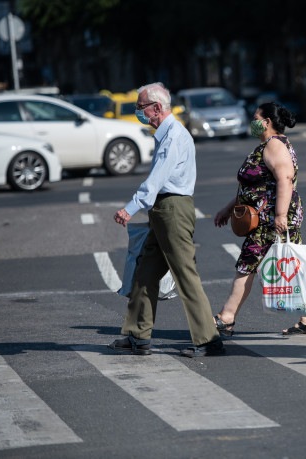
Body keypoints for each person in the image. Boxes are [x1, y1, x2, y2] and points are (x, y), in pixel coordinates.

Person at [109, 82, 224, 358]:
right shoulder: (167, 133)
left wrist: (130, 208)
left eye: (140, 108)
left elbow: (157, 178)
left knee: (185, 274)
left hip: (173, 209)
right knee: (144, 273)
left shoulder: (173, 135)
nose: (139, 113)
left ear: (157, 108)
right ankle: (137, 335)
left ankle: (208, 340)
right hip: (164, 210)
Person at [213, 102, 306, 336]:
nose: (253, 122)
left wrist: (280, 215)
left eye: (256, 118)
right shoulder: (270, 144)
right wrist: (227, 208)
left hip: (270, 220)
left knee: (246, 265)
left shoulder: (274, 145)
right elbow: (254, 185)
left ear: (267, 122)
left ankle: (226, 317)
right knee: (293, 264)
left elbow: (285, 178)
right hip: (268, 217)